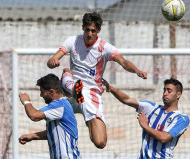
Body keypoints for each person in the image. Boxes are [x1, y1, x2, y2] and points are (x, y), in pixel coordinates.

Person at [47, 12, 147, 149]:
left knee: (100, 142)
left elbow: (123, 62)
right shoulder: (72, 41)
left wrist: (137, 71)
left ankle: (86, 115)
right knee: (66, 72)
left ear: (98, 31)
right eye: (87, 30)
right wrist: (53, 61)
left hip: (91, 94)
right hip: (71, 92)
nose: (89, 34)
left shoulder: (105, 48)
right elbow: (53, 59)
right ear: (83, 28)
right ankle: (74, 91)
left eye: (93, 31)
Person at [102, 78, 189, 159]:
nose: (165, 93)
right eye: (164, 90)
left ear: (178, 95)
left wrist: (145, 126)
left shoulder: (181, 118)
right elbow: (127, 99)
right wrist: (111, 88)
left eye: (169, 91)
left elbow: (164, 138)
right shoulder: (151, 108)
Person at [18, 73, 86, 159]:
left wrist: (26, 102)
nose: (41, 95)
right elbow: (54, 132)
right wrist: (32, 136)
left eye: (42, 91)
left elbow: (34, 116)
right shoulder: (59, 106)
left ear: (51, 92)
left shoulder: (59, 104)